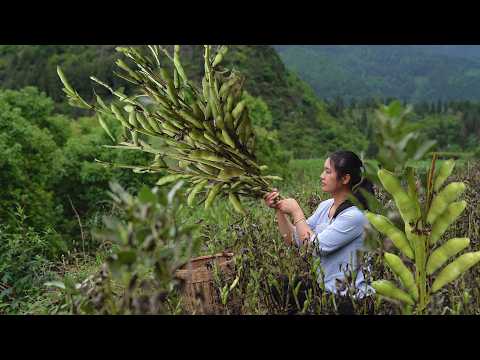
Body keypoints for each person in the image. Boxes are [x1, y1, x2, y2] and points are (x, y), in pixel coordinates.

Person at [263, 150, 375, 313]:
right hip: (326, 290)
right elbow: (294, 240)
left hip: (351, 299)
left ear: (345, 179)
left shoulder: (355, 216)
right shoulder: (326, 206)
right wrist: (279, 209)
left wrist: (296, 211)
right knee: (282, 288)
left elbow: (315, 247)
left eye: (328, 171)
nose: (322, 175)